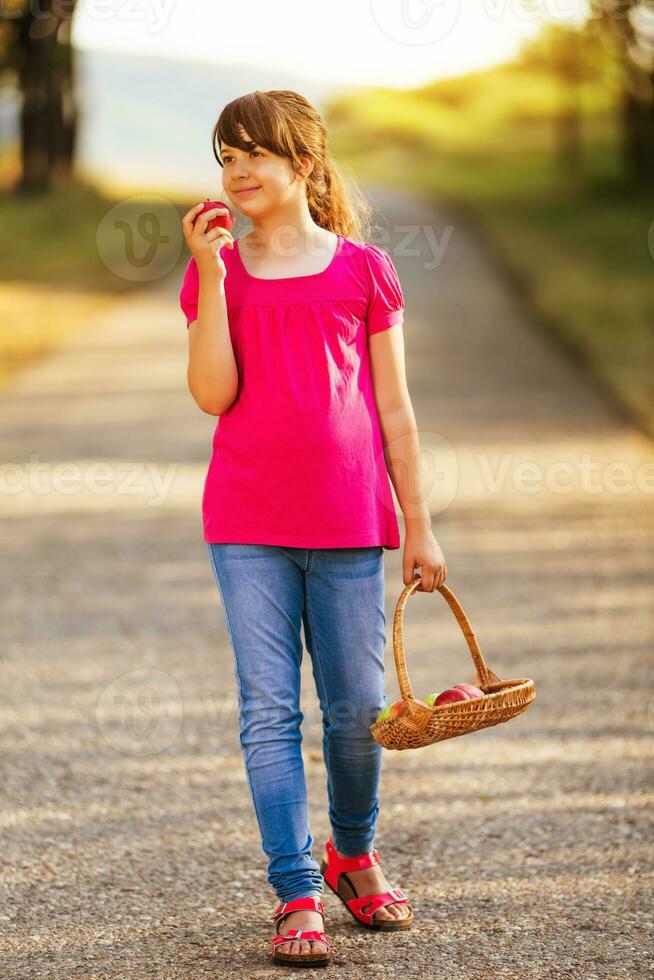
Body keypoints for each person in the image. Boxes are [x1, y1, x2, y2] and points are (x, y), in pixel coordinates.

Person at [179, 89, 447, 968]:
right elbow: (214, 394)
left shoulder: (363, 270)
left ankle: (353, 853)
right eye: (226, 156)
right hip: (247, 523)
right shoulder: (216, 274)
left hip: (347, 522)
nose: (238, 171)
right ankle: (296, 890)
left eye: (255, 153)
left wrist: (420, 527)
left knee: (355, 711)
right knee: (266, 711)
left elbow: (397, 412)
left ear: (303, 164)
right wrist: (214, 278)